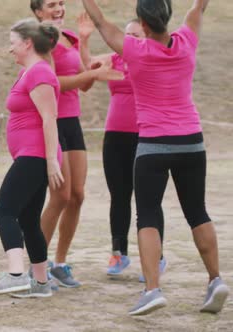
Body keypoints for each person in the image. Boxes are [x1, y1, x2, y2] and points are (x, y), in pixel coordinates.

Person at [82, 0, 229, 315]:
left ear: (144, 25)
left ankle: (152, 290)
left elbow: (100, 21)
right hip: (192, 141)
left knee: (146, 214)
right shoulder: (187, 40)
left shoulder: (135, 50)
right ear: (167, 17)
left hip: (154, 143)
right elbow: (199, 7)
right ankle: (216, 280)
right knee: (197, 211)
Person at [30, 0, 123, 288]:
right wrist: (93, 73)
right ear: (37, 12)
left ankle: (59, 262)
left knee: (77, 196)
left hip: (72, 122)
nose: (59, 8)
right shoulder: (38, 40)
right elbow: (53, 82)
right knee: (60, 196)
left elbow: (84, 84)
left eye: (61, 3)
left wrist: (83, 41)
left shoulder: (68, 36)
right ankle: (37, 268)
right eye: (51, 4)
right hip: (51, 122)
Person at [77, 14, 168, 279]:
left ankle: (155, 259)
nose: (130, 41)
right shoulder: (115, 59)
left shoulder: (154, 59)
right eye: (127, 36)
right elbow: (88, 67)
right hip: (115, 137)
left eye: (136, 36)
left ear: (148, 38)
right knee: (119, 197)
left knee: (147, 201)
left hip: (147, 137)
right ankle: (119, 253)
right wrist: (83, 39)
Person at [0, 18, 63, 298]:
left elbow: (50, 118)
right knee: (29, 219)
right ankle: (41, 284)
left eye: (13, 43)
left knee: (4, 211)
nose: (10, 49)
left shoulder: (39, 72)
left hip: (35, 156)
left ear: (28, 43)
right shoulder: (32, 71)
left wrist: (51, 159)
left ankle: (16, 274)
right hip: (33, 156)